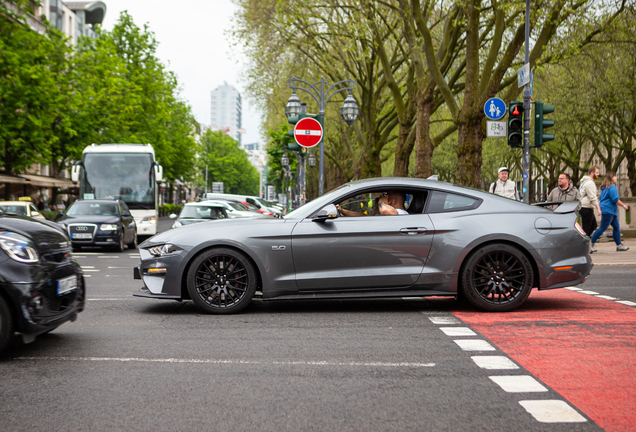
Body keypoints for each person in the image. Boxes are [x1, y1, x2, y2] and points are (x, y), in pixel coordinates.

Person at [590, 172, 630, 252]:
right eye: (614, 176)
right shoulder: (612, 187)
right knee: (602, 228)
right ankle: (590, 244)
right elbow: (615, 199)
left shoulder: (604, 187)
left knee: (616, 227)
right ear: (611, 178)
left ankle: (619, 245)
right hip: (608, 210)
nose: (616, 177)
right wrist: (624, 206)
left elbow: (601, 198)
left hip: (610, 210)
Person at [579, 166, 602, 242]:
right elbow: (593, 197)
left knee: (593, 225)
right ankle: (581, 243)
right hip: (586, 208)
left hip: (585, 207)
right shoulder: (590, 183)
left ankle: (585, 242)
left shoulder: (585, 182)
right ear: (592, 173)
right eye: (597, 172)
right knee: (587, 228)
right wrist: (598, 209)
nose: (598, 174)